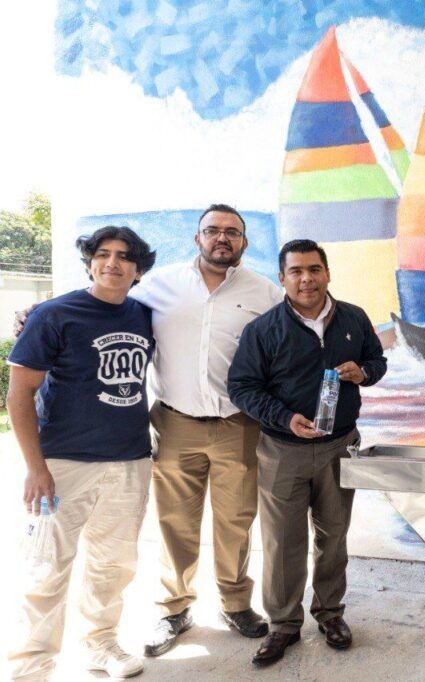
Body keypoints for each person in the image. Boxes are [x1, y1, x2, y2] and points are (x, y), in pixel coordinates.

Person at [227, 239, 387, 667]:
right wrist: (284, 418)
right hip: (283, 450)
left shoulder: (353, 318)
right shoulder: (263, 329)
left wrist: (364, 372)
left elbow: (377, 360)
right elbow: (241, 387)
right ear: (282, 278)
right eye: (296, 271)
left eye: (314, 269)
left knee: (334, 536)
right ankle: (283, 624)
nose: (306, 279)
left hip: (340, 445)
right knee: (283, 542)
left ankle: (330, 613)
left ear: (327, 273)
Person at [7, 226, 157, 681]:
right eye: (103, 254)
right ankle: (31, 665)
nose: (112, 263)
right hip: (64, 463)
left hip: (130, 460)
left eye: (124, 256)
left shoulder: (144, 315)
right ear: (90, 262)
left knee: (113, 564)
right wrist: (35, 468)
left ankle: (100, 642)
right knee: (47, 566)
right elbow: (19, 395)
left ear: (138, 270)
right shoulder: (53, 314)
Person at [131, 205, 282, 655]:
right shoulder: (159, 285)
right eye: (212, 230)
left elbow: (291, 345)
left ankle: (235, 604)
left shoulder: (265, 292)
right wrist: (37, 312)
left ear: (244, 242)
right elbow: (103, 301)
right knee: (175, 521)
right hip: (175, 422)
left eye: (232, 232)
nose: (222, 238)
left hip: (240, 424)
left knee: (236, 521)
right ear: (197, 238)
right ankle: (173, 609)